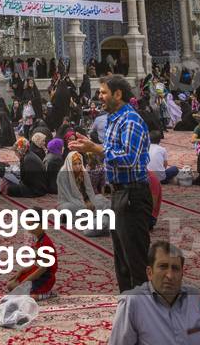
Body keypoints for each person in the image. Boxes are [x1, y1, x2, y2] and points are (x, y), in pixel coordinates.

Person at [68, 75, 152, 293]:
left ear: (118, 94)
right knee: (122, 259)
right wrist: (91, 148)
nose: (100, 96)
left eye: (104, 92)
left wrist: (95, 149)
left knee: (135, 260)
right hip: (118, 194)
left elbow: (128, 158)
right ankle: (129, 307)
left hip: (132, 196)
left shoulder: (130, 121)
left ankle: (145, 312)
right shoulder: (114, 120)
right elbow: (111, 155)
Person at [108, 241, 200, 345]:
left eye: (175, 268)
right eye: (163, 266)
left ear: (182, 274)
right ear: (149, 272)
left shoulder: (194, 299)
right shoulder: (133, 303)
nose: (170, 275)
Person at [5, 209, 58, 300]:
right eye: (28, 225)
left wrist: (26, 281)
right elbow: (36, 263)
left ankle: (48, 294)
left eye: (31, 225)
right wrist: (22, 271)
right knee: (10, 285)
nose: (29, 229)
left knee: (27, 296)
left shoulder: (46, 244)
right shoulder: (37, 239)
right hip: (37, 271)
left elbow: (42, 269)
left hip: (45, 277)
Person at [56, 150, 111, 234]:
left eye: (79, 163)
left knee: (102, 200)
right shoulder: (63, 174)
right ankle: (96, 218)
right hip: (69, 201)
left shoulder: (83, 172)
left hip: (84, 200)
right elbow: (67, 195)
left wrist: (89, 200)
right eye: (75, 164)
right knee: (68, 208)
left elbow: (89, 190)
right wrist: (84, 203)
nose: (78, 166)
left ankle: (94, 218)